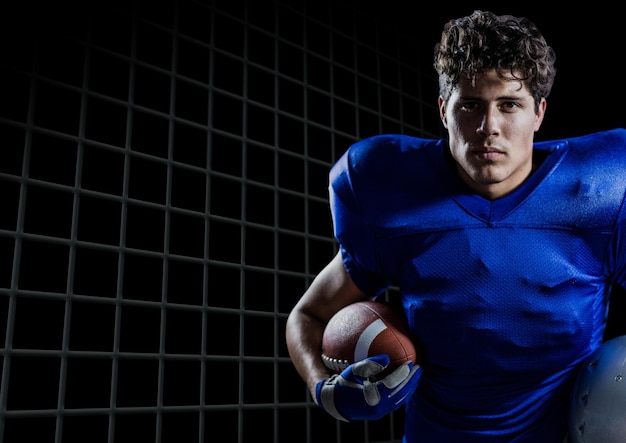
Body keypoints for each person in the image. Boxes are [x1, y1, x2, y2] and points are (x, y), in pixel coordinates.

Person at [285, 9, 626, 443]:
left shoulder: (602, 192)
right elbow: (308, 315)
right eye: (470, 105)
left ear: (539, 113)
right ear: (444, 110)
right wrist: (323, 389)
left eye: (510, 105)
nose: (489, 128)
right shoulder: (391, 193)